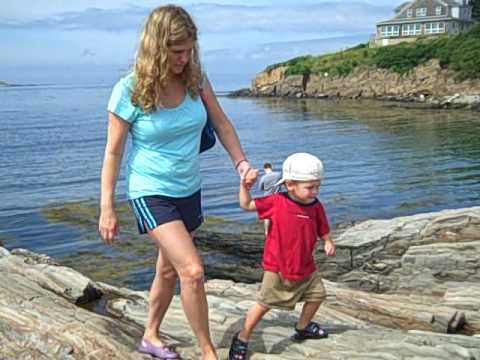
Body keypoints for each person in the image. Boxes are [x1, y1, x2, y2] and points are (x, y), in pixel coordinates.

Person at [98, 5, 257, 360]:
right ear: (156, 48)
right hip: (149, 190)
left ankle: (150, 336)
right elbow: (113, 153)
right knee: (193, 270)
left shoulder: (195, 80)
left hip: (189, 189)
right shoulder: (130, 90)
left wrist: (241, 163)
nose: (185, 58)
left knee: (168, 268)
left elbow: (222, 124)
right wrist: (107, 208)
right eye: (176, 51)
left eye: (189, 50)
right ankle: (207, 352)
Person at [228, 152, 336, 360]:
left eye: (318, 186)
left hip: (306, 265)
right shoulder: (277, 202)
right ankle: (242, 337)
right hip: (278, 266)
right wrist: (245, 187)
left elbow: (323, 227)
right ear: (290, 184)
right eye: (310, 187)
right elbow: (247, 205)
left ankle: (303, 327)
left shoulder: (315, 205)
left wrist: (328, 241)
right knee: (264, 304)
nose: (316, 191)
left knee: (317, 296)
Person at [258, 162, 281, 236]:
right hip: (277, 197)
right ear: (271, 167)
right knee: (277, 214)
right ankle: (278, 229)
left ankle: (266, 232)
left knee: (267, 216)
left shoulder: (263, 177)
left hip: (267, 197)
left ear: (265, 169)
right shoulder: (278, 174)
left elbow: (260, 188)